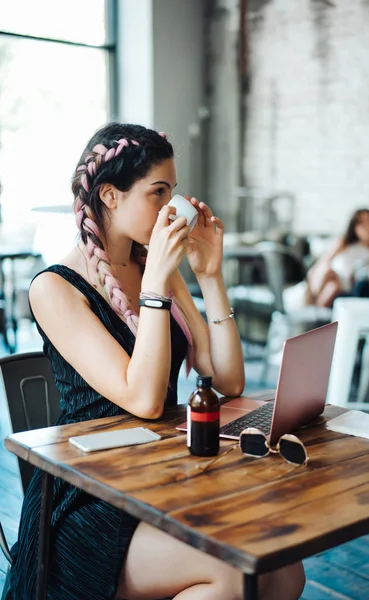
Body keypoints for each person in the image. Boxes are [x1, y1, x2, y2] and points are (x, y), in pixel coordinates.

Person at [9, 123, 305, 600]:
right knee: (230, 577)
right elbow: (144, 399)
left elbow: (227, 378)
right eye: (158, 192)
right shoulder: (55, 287)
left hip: (160, 475)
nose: (172, 206)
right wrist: (156, 289)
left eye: (174, 191)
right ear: (109, 195)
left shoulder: (155, 266)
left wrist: (209, 276)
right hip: (90, 497)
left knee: (286, 567)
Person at [306, 208, 369, 307]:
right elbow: (325, 260)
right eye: (362, 223)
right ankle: (312, 309)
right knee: (328, 277)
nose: (367, 227)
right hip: (333, 278)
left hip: (353, 286)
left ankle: (313, 310)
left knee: (333, 287)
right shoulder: (344, 243)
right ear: (354, 227)